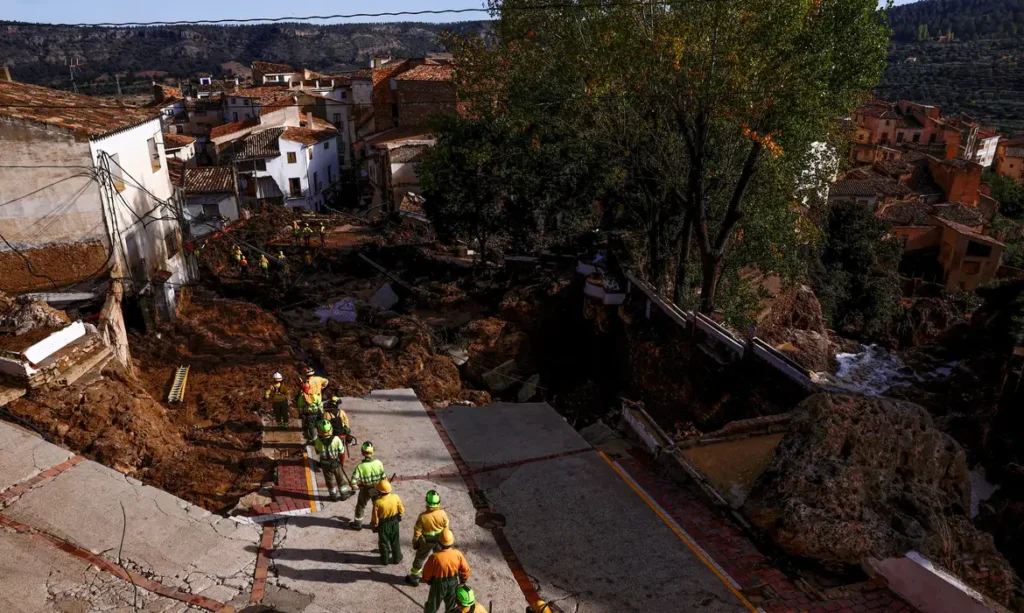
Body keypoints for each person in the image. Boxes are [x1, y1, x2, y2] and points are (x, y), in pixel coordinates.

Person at [407, 490, 450, 586]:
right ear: (438, 503)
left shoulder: (423, 517)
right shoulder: (443, 513)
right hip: (440, 540)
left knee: (420, 558)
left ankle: (414, 578)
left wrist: (415, 542)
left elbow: (417, 531)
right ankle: (436, 576)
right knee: (439, 558)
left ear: (426, 502)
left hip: (426, 541)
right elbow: (446, 527)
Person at [422, 529, 470, 613]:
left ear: (439, 543)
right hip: (453, 583)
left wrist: (427, 580)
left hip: (438, 585)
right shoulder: (457, 554)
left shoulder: (435, 557)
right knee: (451, 607)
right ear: (451, 542)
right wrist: (463, 581)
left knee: (432, 605)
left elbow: (427, 572)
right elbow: (466, 570)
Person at [350, 441, 386, 530]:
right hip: (378, 487)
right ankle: (378, 524)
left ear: (362, 453)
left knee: (361, 506)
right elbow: (384, 477)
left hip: (366, 489)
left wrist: (356, 487)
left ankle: (357, 524)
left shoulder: (360, 466)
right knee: (378, 506)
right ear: (372, 451)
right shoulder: (378, 463)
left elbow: (353, 482)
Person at [314, 419, 351, 501]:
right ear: (331, 429)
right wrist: (341, 462)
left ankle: (333, 496)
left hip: (324, 464)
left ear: (319, 430)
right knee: (340, 480)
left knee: (329, 480)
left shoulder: (317, 440)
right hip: (335, 463)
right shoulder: (336, 439)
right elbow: (342, 452)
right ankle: (344, 494)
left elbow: (317, 452)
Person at [370, 479, 404, 565]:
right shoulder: (395, 497)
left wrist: (375, 525)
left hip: (383, 525)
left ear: (380, 491)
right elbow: (401, 510)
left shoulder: (377, 502)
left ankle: (384, 560)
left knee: (384, 543)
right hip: (395, 523)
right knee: (395, 541)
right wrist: (399, 516)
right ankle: (397, 558)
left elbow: (375, 517)